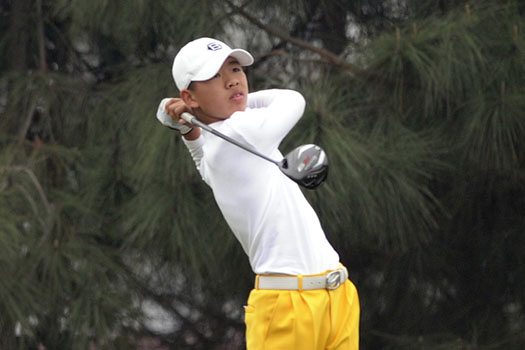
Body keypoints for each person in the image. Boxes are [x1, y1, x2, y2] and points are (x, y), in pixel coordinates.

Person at [156, 37, 360, 350]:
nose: (233, 80)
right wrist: (208, 113)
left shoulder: (220, 146)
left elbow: (203, 163)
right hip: (288, 305)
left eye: (235, 69)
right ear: (189, 96)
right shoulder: (241, 131)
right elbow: (292, 100)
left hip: (335, 292)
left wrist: (189, 128)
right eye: (215, 76)